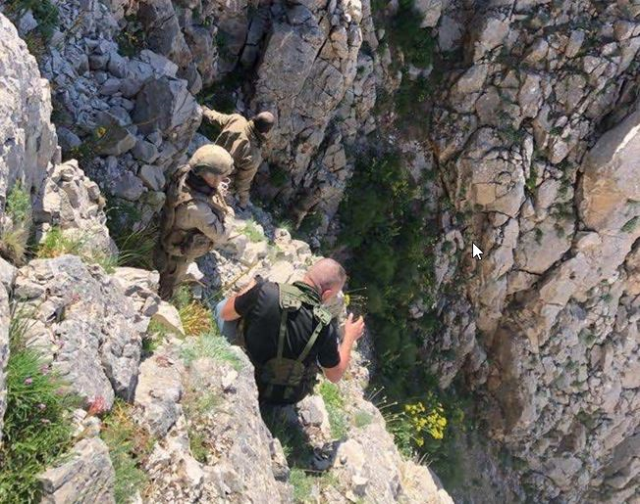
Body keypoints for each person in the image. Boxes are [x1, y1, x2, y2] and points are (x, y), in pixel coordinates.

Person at [217, 258, 365, 404]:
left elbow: (225, 313)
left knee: (222, 306)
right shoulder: (324, 327)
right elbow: (335, 375)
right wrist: (349, 338)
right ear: (326, 294)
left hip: (245, 375)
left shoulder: (266, 291)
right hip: (283, 397)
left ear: (307, 274)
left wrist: (250, 288)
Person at [156, 145, 233, 301]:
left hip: (171, 231)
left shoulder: (184, 172)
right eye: (220, 176)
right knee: (169, 288)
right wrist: (230, 214)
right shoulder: (198, 209)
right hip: (177, 255)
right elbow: (222, 236)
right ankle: (163, 308)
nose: (221, 180)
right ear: (210, 177)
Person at [201, 106, 275, 209]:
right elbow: (242, 184)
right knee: (227, 212)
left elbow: (214, 118)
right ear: (265, 132)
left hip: (205, 164)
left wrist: (204, 110)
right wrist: (243, 202)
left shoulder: (236, 120)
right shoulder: (254, 155)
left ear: (254, 118)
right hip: (217, 183)